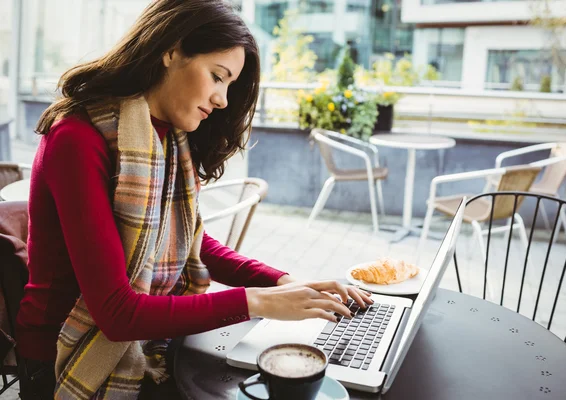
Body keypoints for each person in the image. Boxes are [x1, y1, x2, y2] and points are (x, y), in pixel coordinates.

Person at [15, 1, 372, 399]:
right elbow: (116, 314)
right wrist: (260, 302)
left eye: (229, 86)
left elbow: (190, 241)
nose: (222, 99)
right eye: (218, 77)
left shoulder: (166, 136)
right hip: (63, 355)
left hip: (144, 342)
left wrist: (284, 282)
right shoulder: (77, 138)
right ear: (171, 50)